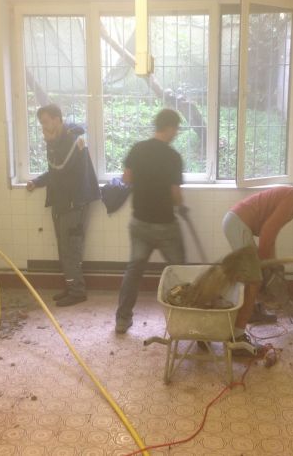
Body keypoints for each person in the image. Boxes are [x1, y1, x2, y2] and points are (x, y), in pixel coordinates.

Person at [222, 174, 293, 351]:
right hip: (238, 223)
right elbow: (267, 232)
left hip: (237, 222)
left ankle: (249, 311)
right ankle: (237, 336)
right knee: (254, 281)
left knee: (252, 278)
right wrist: (266, 266)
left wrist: (272, 263)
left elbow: (271, 234)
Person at [115, 109, 186, 334]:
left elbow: (127, 178)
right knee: (180, 271)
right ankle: (188, 320)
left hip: (139, 223)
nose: (176, 133)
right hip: (165, 226)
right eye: (176, 129)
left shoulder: (138, 149)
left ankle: (122, 319)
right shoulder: (173, 157)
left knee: (134, 271)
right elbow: (175, 193)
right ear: (171, 128)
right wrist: (181, 206)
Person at [27, 104, 100, 307]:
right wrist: (37, 181)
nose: (44, 126)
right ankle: (70, 287)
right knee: (63, 247)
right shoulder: (58, 141)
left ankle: (77, 291)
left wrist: (50, 143)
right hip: (62, 201)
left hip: (74, 202)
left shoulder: (73, 139)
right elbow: (54, 170)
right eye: (41, 123)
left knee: (70, 248)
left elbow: (61, 166)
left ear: (58, 119)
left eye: (46, 121)